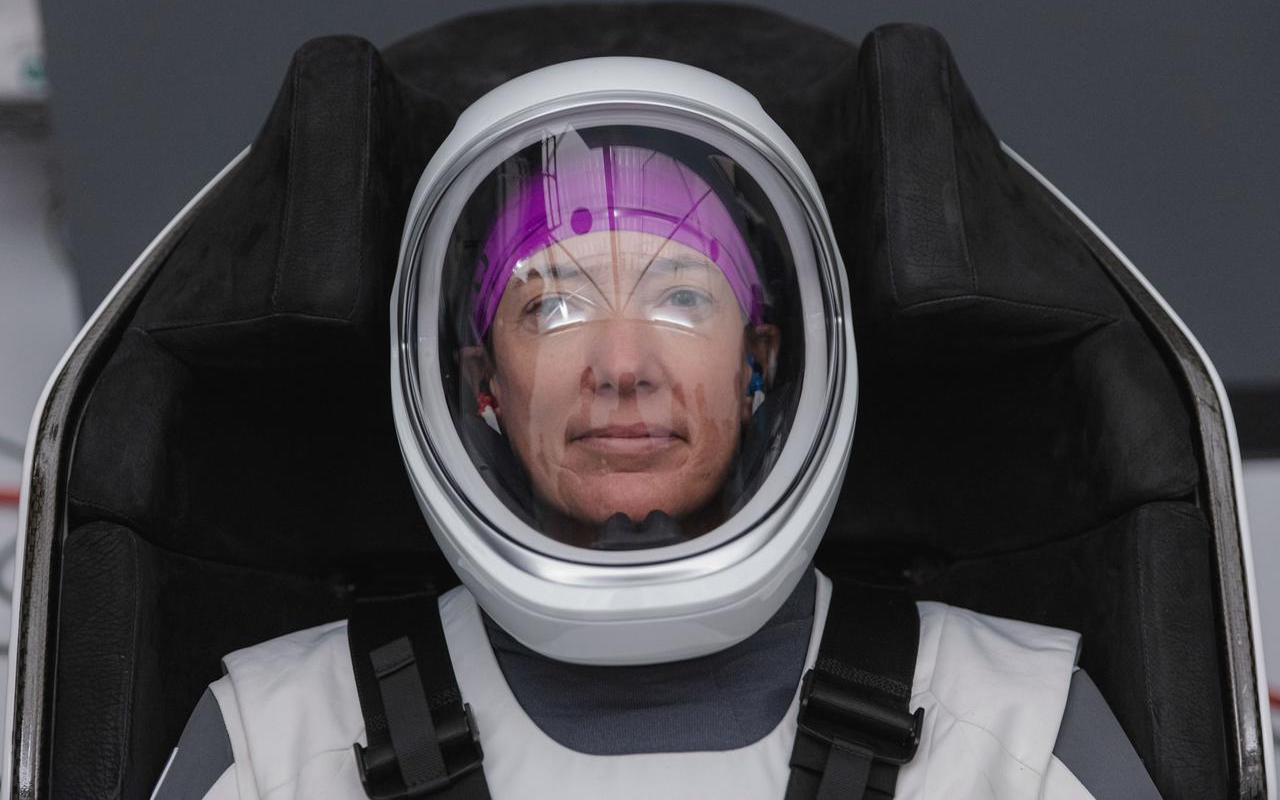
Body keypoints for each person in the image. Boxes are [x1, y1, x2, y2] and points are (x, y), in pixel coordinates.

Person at [151, 58, 1161, 800]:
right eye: (551, 305)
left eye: (681, 295)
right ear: (480, 382)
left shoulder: (1020, 734)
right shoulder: (276, 747)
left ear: (759, 362)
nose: (622, 363)